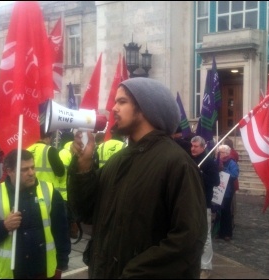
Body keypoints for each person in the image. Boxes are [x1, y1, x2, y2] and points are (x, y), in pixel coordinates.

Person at [67, 77, 207, 278]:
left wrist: (134, 273)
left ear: (145, 108)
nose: (113, 108)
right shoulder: (118, 161)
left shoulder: (177, 163)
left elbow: (189, 239)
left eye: (122, 102)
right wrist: (83, 166)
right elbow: (85, 211)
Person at [0, 149, 70, 279]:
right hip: (9, 273)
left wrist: (61, 264)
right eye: (24, 169)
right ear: (9, 171)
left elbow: (61, 231)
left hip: (42, 271)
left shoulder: (50, 192)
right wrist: (4, 226)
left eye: (32, 167)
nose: (31, 173)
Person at [190, 135, 220, 279]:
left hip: (204, 203)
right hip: (190, 202)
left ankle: (206, 267)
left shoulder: (209, 162)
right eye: (192, 146)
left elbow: (216, 181)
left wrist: (200, 173)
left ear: (203, 147)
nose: (193, 149)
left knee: (205, 235)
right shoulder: (189, 160)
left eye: (196, 146)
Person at [216, 144, 239, 242]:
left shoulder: (231, 162)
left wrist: (223, 170)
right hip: (218, 190)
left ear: (226, 153)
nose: (218, 154)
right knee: (218, 212)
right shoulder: (216, 161)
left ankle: (227, 233)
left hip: (227, 191)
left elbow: (234, 175)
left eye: (220, 152)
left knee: (226, 212)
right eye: (218, 152)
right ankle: (219, 232)